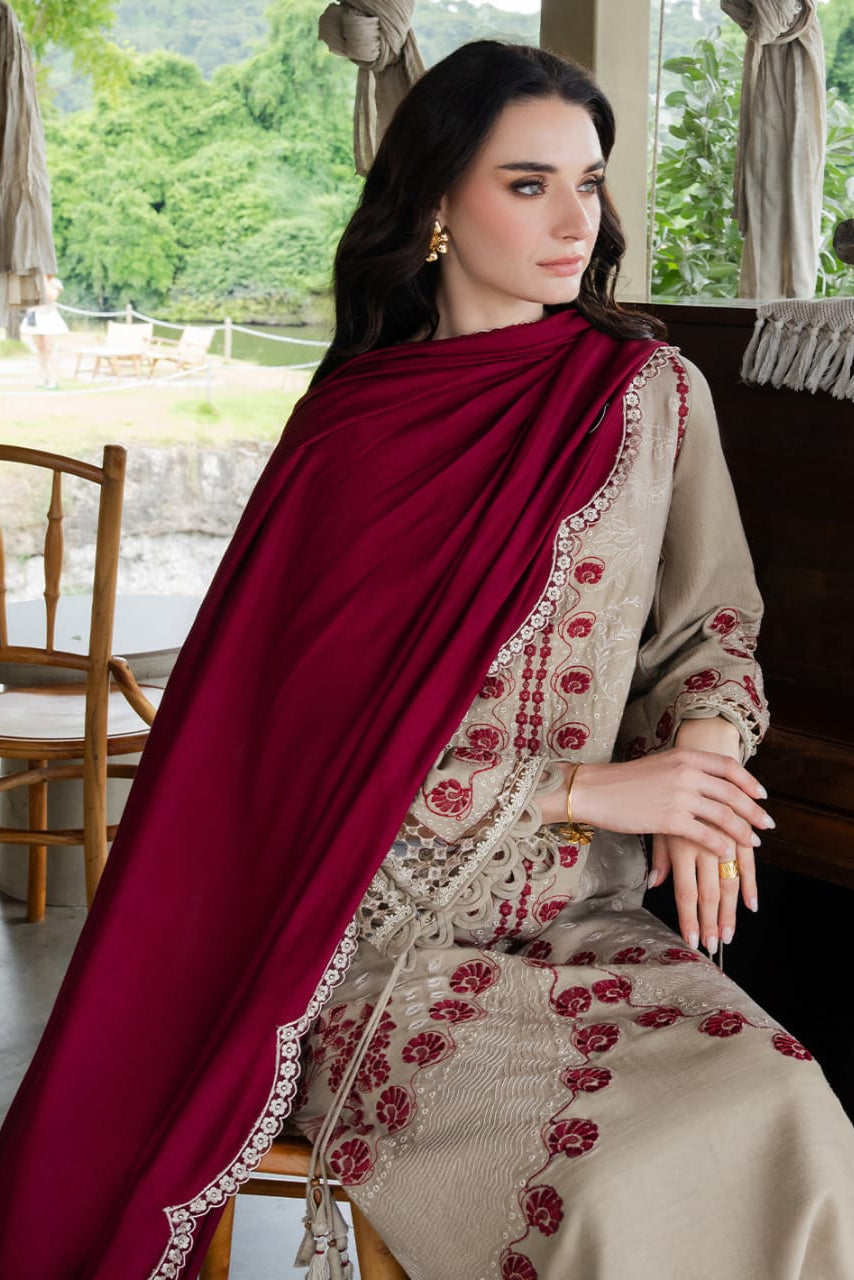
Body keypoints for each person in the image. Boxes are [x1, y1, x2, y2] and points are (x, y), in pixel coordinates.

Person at [0, 40, 852, 1280]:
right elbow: (288, 754)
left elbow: (706, 623)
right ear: (435, 202)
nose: (575, 220)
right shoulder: (353, 433)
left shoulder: (649, 393)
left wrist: (705, 761)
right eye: (527, 183)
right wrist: (583, 786)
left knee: (788, 1110)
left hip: (583, 915)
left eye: (588, 181)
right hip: (367, 943)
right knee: (613, 1175)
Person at [22, 272, 68, 388]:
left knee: (50, 349)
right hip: (34, 318)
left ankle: (54, 379)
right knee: (40, 349)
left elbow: (51, 297)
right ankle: (44, 378)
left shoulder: (54, 283)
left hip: (48, 318)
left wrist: (44, 280)